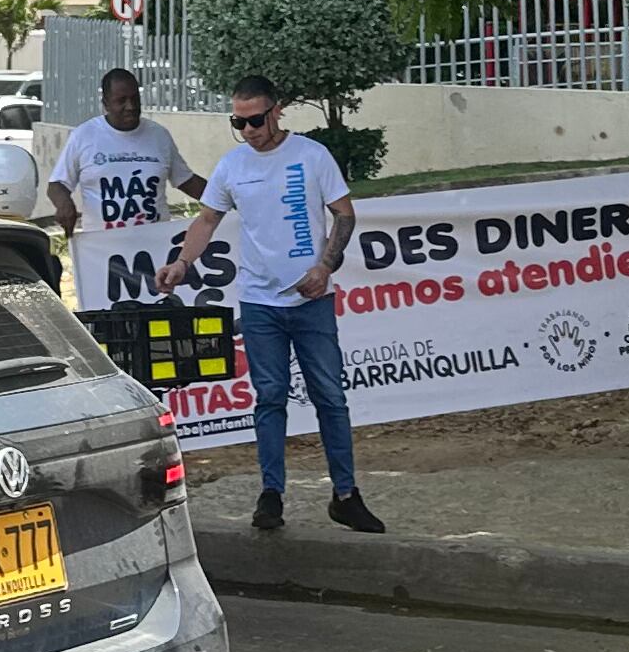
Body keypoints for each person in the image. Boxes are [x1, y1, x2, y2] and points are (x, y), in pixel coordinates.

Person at [174, 76, 383, 535]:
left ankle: (345, 495)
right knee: (269, 398)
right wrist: (183, 262)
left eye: (255, 119)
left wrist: (325, 267)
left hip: (311, 300)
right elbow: (207, 219)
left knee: (330, 396)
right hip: (259, 302)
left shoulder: (311, 155)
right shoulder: (232, 166)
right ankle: (271, 495)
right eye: (238, 121)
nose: (248, 129)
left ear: (277, 111)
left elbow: (344, 213)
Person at [50, 68, 206, 298]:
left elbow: (186, 180)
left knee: (159, 319)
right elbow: (56, 184)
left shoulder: (158, 136)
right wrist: (64, 203)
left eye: (135, 98)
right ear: (105, 103)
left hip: (157, 250)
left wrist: (228, 201)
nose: (130, 106)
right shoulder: (84, 136)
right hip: (104, 253)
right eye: (121, 100)